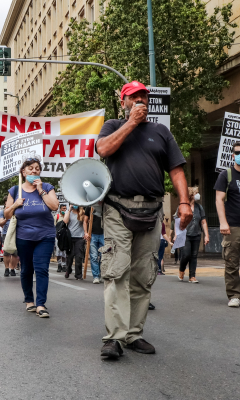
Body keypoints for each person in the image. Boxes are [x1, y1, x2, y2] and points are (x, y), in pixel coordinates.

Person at [95, 80, 191, 358]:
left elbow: (176, 170)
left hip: (151, 211)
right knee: (117, 272)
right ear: (123, 101)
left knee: (143, 275)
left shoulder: (161, 132)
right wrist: (131, 124)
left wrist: (183, 202)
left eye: (144, 97)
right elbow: (103, 150)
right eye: (133, 97)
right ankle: (114, 337)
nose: (140, 101)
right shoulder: (113, 125)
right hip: (117, 209)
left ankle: (133, 334)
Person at [4, 158, 59, 317]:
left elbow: (54, 206)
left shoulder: (47, 187)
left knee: (42, 269)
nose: (34, 171)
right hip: (24, 237)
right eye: (30, 168)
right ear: (23, 172)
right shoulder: (15, 190)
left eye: (37, 169)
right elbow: (7, 215)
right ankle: (29, 300)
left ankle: (41, 304)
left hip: (45, 236)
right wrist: (15, 205)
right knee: (27, 269)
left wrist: (40, 189)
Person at [214, 140, 240, 307]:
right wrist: (223, 222)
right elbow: (219, 199)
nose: (239, 155)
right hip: (233, 225)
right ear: (232, 155)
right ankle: (234, 295)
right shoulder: (226, 175)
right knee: (232, 261)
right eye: (237, 152)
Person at [176, 187, 209, 283]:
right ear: (191, 194)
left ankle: (192, 276)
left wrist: (206, 235)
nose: (198, 195)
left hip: (196, 234)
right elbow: (177, 221)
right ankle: (181, 269)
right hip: (184, 235)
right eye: (196, 193)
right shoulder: (182, 207)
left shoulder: (199, 207)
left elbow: (203, 222)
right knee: (186, 254)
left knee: (194, 255)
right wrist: (175, 235)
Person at [63, 205, 88, 280]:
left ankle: (78, 275)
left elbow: (86, 223)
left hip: (80, 238)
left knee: (78, 257)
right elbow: (65, 221)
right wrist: (69, 210)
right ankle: (68, 269)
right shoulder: (68, 213)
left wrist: (85, 233)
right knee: (69, 257)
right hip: (70, 238)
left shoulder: (82, 213)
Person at [0, 196, 19, 277]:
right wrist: (7, 217)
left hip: (16, 233)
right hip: (6, 233)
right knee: (6, 252)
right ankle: (7, 268)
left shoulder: (17, 211)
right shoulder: (2, 212)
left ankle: (12, 268)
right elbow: (1, 223)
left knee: (15, 252)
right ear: (5, 203)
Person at [88, 210, 104, 284]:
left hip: (104, 234)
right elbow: (85, 221)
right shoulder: (89, 207)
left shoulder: (105, 205)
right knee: (94, 257)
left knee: (103, 257)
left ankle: (101, 274)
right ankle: (96, 276)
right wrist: (86, 233)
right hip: (93, 235)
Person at [54, 204, 68, 272]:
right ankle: (59, 265)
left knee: (64, 251)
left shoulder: (67, 216)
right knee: (58, 251)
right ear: (60, 209)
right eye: (63, 208)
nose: (64, 210)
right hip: (58, 237)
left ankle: (64, 265)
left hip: (65, 237)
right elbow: (53, 227)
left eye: (65, 209)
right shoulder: (57, 216)